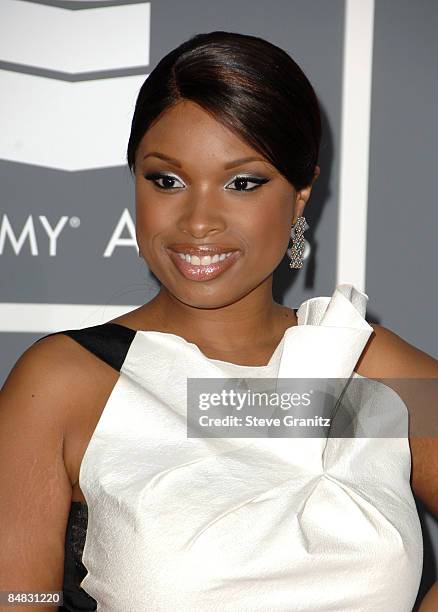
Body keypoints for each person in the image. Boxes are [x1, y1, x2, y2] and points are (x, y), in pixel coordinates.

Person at [0, 30, 437, 612]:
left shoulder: (371, 368)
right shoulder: (62, 383)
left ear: (301, 191)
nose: (198, 220)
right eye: (167, 180)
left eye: (242, 183)